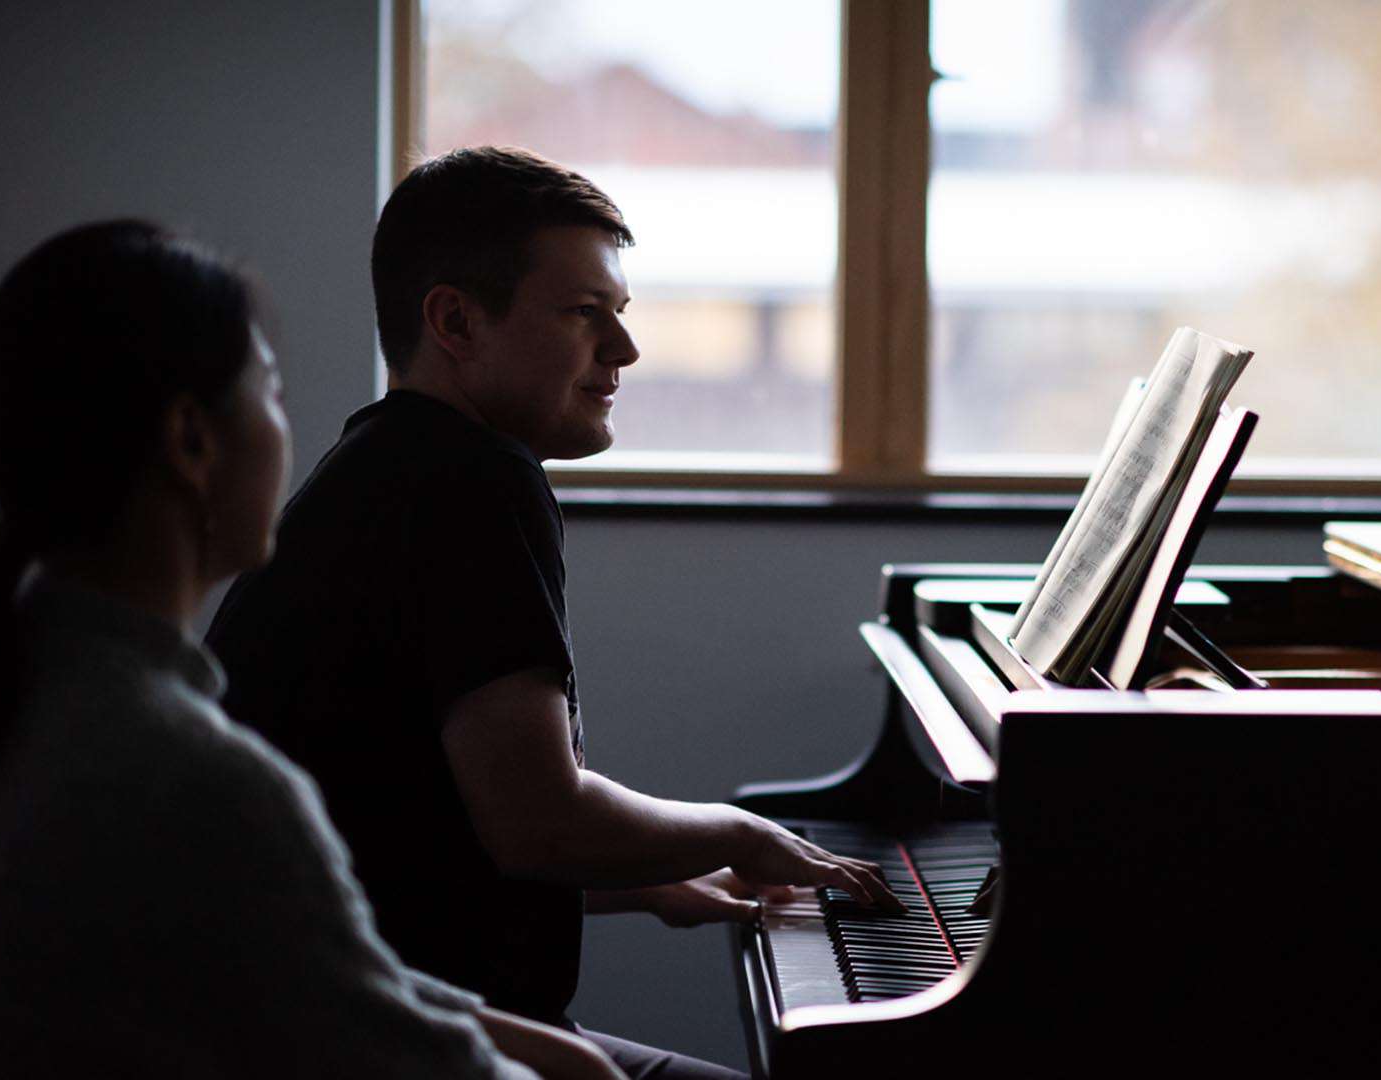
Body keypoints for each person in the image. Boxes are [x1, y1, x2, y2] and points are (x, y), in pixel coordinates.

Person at [205, 147, 899, 1080]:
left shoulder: (384, 466)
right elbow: (537, 820)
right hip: (386, 1041)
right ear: (454, 319)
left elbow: (414, 828)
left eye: (620, 315)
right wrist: (740, 831)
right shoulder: (472, 480)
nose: (624, 351)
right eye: (585, 315)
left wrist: (655, 882)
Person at [0, 220, 622, 1079]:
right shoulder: (195, 780)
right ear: (194, 444)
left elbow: (329, 973)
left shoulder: (22, 689)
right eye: (269, 391)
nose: (289, 428)